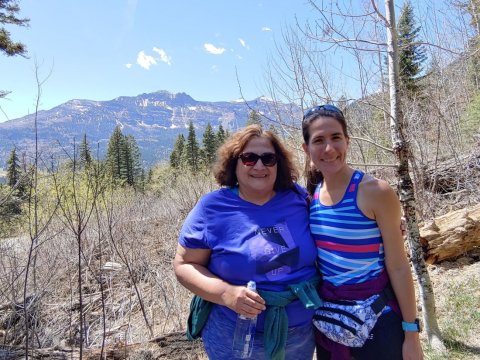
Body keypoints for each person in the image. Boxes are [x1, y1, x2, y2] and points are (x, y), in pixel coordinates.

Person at [173, 124, 322, 360]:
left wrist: (381, 220)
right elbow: (183, 266)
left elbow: (335, 219)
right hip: (235, 336)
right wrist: (226, 293)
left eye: (268, 158)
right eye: (249, 158)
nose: (259, 166)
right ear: (235, 163)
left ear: (278, 164)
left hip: (300, 335)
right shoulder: (212, 208)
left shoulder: (298, 198)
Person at [301, 104, 424, 360]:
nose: (329, 148)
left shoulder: (375, 191)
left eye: (336, 137)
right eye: (318, 140)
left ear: (347, 141)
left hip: (378, 320)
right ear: (306, 149)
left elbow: (399, 266)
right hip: (331, 322)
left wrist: (411, 335)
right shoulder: (309, 196)